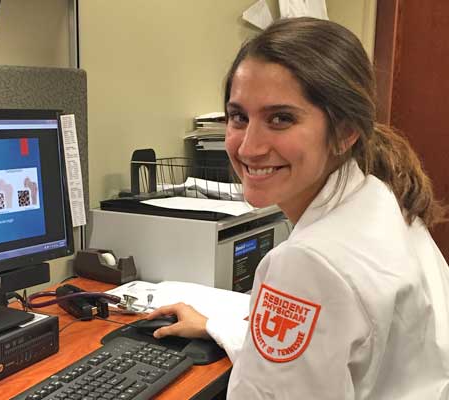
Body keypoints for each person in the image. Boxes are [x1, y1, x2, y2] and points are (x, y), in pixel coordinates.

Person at [147, 17, 449, 399]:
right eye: (239, 117)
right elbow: (328, 346)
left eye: (281, 118)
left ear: (345, 131)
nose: (248, 147)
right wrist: (217, 326)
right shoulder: (380, 197)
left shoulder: (308, 263)